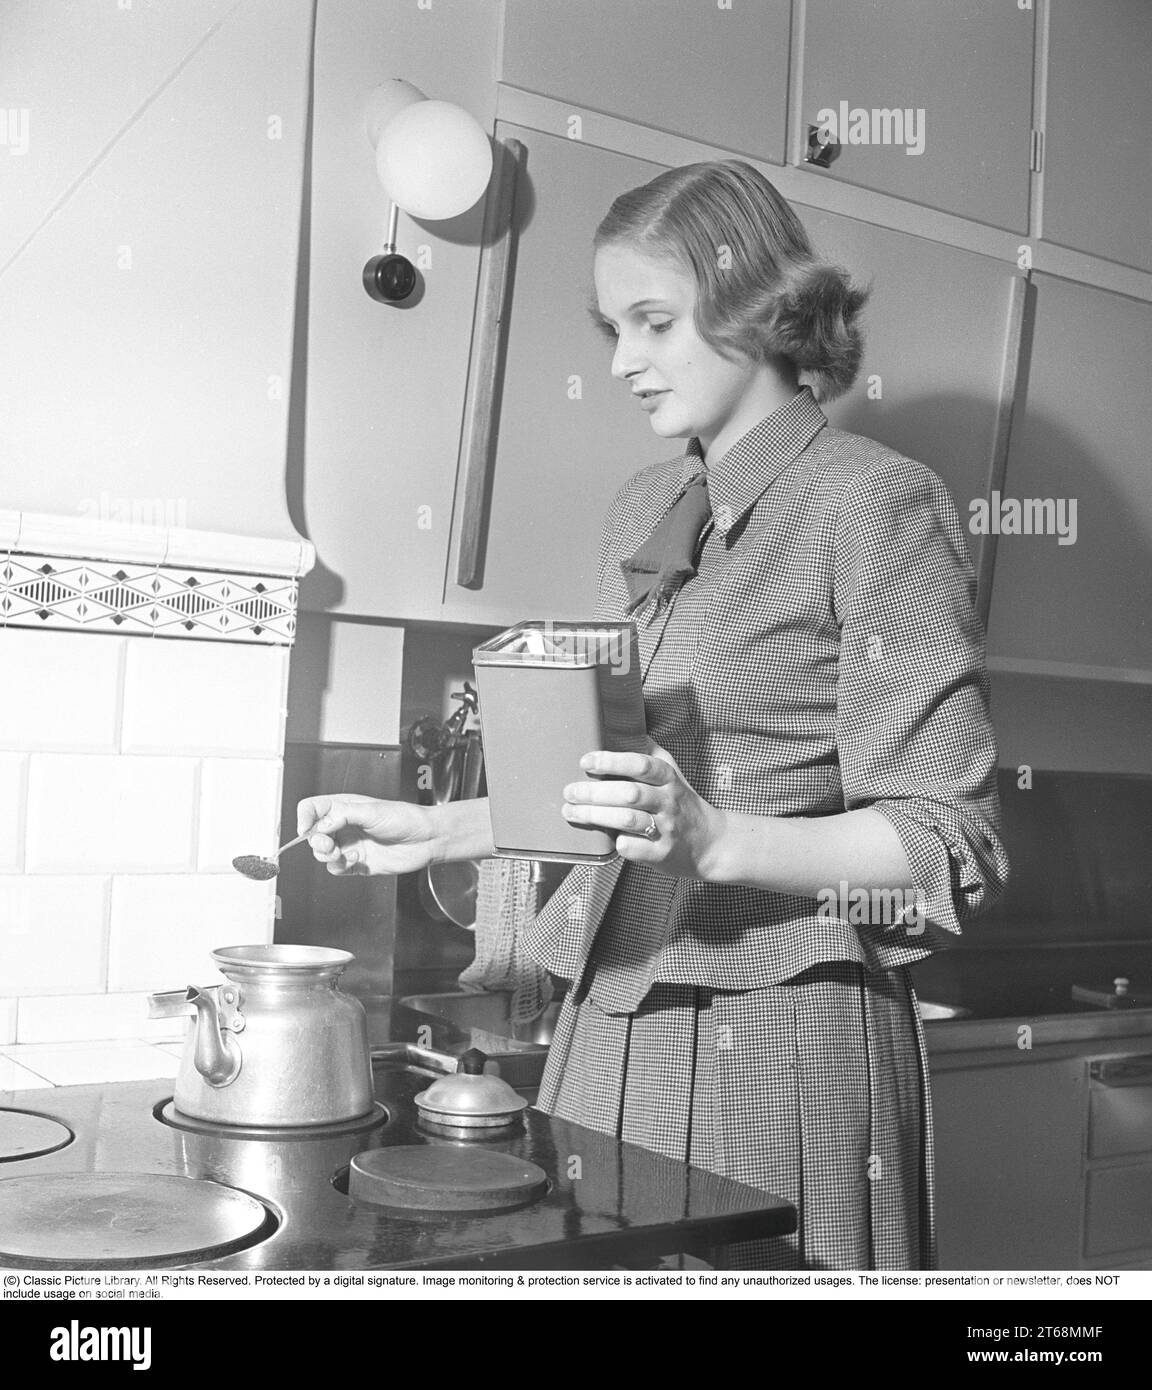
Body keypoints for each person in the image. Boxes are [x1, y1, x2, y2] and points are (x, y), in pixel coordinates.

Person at [297, 160, 1010, 1270]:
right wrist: (439, 830)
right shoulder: (648, 510)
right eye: (611, 327)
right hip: (610, 1022)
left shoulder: (874, 501)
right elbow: (622, 789)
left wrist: (719, 841)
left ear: (758, 310)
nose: (622, 362)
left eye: (654, 322)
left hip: (782, 1027)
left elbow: (944, 846)